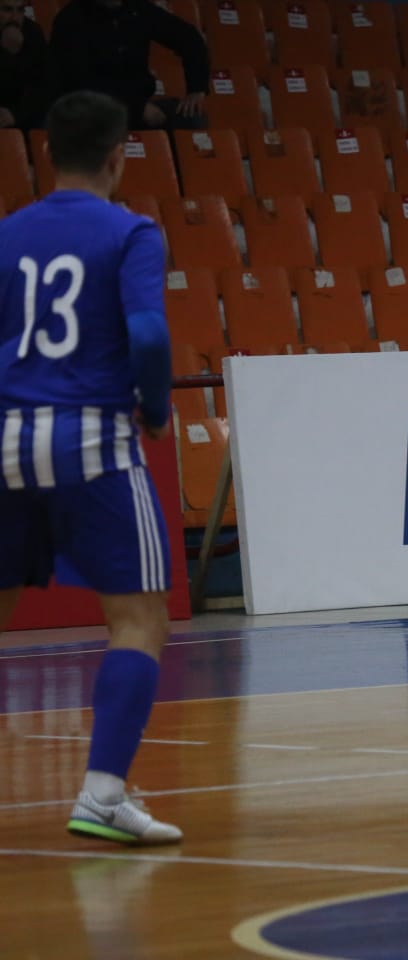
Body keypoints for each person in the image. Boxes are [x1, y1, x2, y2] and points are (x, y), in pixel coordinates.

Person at [0, 91, 180, 845]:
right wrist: (156, 408)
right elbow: (145, 333)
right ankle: (102, 797)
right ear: (119, 154)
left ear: (45, 152)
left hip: (9, 437)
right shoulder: (133, 232)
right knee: (138, 619)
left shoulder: (7, 233)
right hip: (95, 441)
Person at [48, 0, 207, 132]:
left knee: (191, 116)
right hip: (92, 110)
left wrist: (196, 88)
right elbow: (79, 82)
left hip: (140, 105)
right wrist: (135, 107)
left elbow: (190, 38)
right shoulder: (71, 19)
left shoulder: (138, 9)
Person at [0, 0, 49, 130]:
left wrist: (16, 114)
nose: (15, 18)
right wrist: (6, 55)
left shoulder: (32, 32)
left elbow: (43, 84)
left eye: (20, 10)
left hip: (22, 114)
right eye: (7, 10)